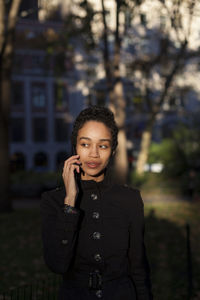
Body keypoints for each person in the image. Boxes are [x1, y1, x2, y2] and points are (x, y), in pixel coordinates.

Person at [41, 106, 153, 300]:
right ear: (74, 147)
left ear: (113, 150)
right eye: (85, 144)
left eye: (103, 146)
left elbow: (138, 267)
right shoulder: (54, 200)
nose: (93, 154)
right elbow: (57, 264)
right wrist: (70, 202)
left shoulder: (130, 199)